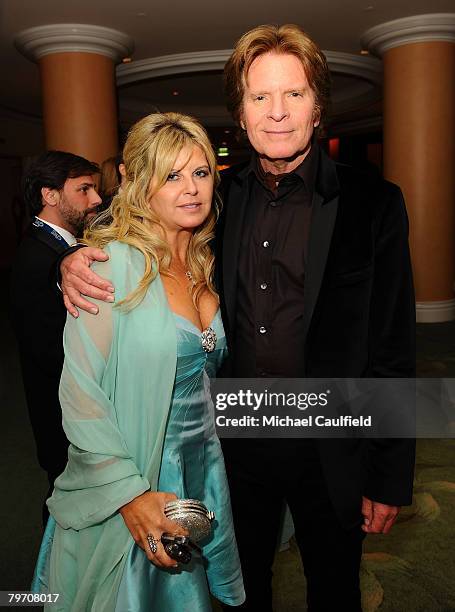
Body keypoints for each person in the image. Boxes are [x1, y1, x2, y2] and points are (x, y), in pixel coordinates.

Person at [58, 24, 415, 611]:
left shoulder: (374, 203)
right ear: (241, 113)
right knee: (237, 588)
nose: (277, 113)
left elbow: (393, 344)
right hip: (234, 445)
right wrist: (69, 261)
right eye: (259, 97)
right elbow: (147, 245)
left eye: (293, 95)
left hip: (334, 442)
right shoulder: (216, 200)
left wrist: (388, 475)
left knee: (335, 588)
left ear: (317, 106)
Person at [31, 112, 244, 612]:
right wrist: (130, 496)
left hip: (205, 466)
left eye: (200, 172)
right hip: (139, 470)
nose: (190, 189)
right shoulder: (110, 265)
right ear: (139, 184)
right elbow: (81, 395)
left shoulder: (211, 261)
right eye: (171, 175)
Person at [9, 151, 101, 524]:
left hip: (71, 411)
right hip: (62, 414)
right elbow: (49, 352)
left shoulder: (58, 246)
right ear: (50, 195)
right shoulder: (38, 257)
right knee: (66, 506)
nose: (96, 199)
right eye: (84, 189)